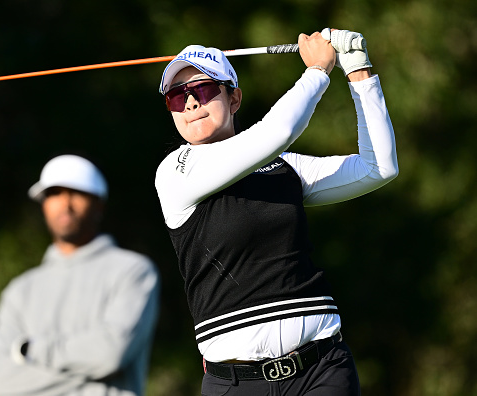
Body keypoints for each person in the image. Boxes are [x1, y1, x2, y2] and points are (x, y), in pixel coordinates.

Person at [154, 28, 398, 395]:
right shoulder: (175, 172)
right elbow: (277, 131)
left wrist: (358, 70)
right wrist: (317, 71)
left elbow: (377, 167)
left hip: (321, 370)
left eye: (202, 90)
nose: (189, 103)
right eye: (177, 96)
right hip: (234, 384)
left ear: (234, 98)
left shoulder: (283, 167)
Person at [0, 154, 160, 396]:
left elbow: (109, 355)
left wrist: (31, 352)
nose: (65, 204)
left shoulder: (133, 272)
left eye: (77, 192)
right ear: (43, 204)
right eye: (54, 193)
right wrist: (89, 375)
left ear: (99, 204)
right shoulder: (19, 290)